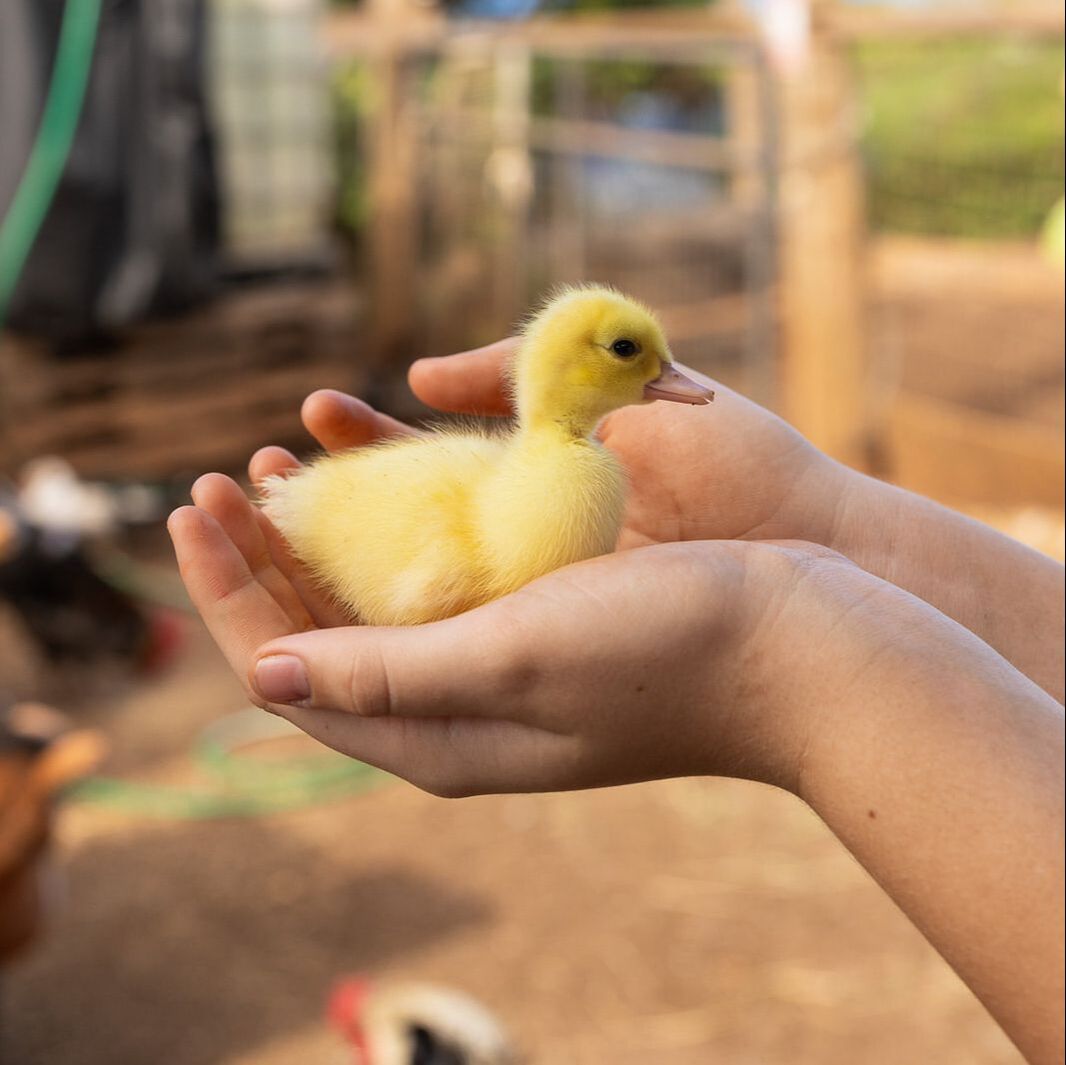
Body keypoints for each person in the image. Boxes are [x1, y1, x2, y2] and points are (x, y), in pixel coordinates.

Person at [168, 340, 1064, 1064]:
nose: (673, 378)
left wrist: (786, 635)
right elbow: (414, 576)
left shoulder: (559, 478)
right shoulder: (541, 483)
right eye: (640, 357)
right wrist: (823, 529)